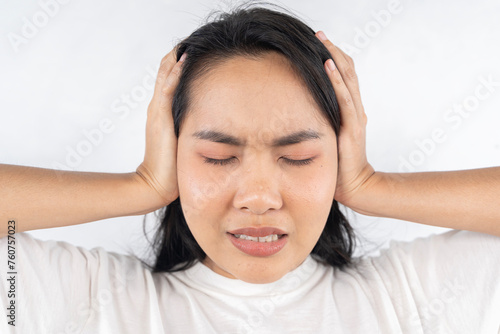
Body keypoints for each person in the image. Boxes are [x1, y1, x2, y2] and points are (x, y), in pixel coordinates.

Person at [1, 3, 499, 333]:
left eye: (299, 158)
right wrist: (144, 185)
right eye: (218, 157)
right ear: (173, 153)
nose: (259, 197)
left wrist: (371, 185)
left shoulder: (413, 298)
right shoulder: (88, 300)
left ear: (339, 154)